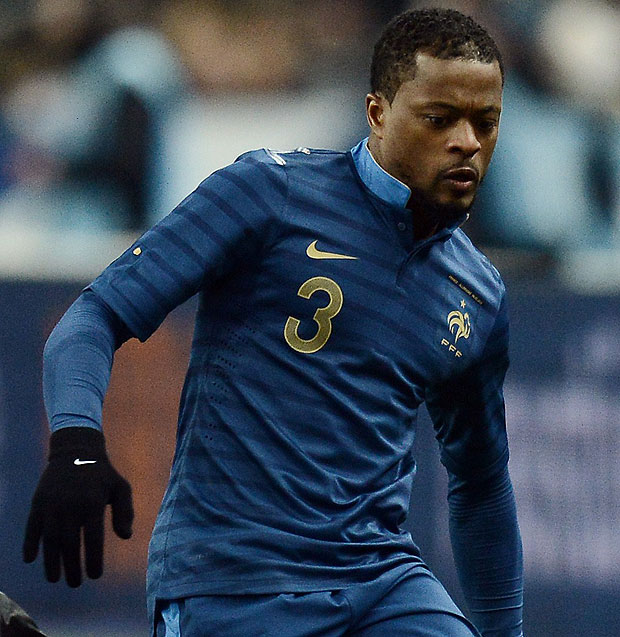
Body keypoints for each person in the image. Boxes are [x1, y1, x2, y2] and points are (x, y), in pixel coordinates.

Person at [23, 8, 523, 637]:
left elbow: (480, 486)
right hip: (236, 577)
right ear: (376, 114)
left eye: (486, 121)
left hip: (382, 583)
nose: (467, 142)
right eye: (439, 119)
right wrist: (75, 445)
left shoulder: (476, 291)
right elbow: (93, 317)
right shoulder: (270, 192)